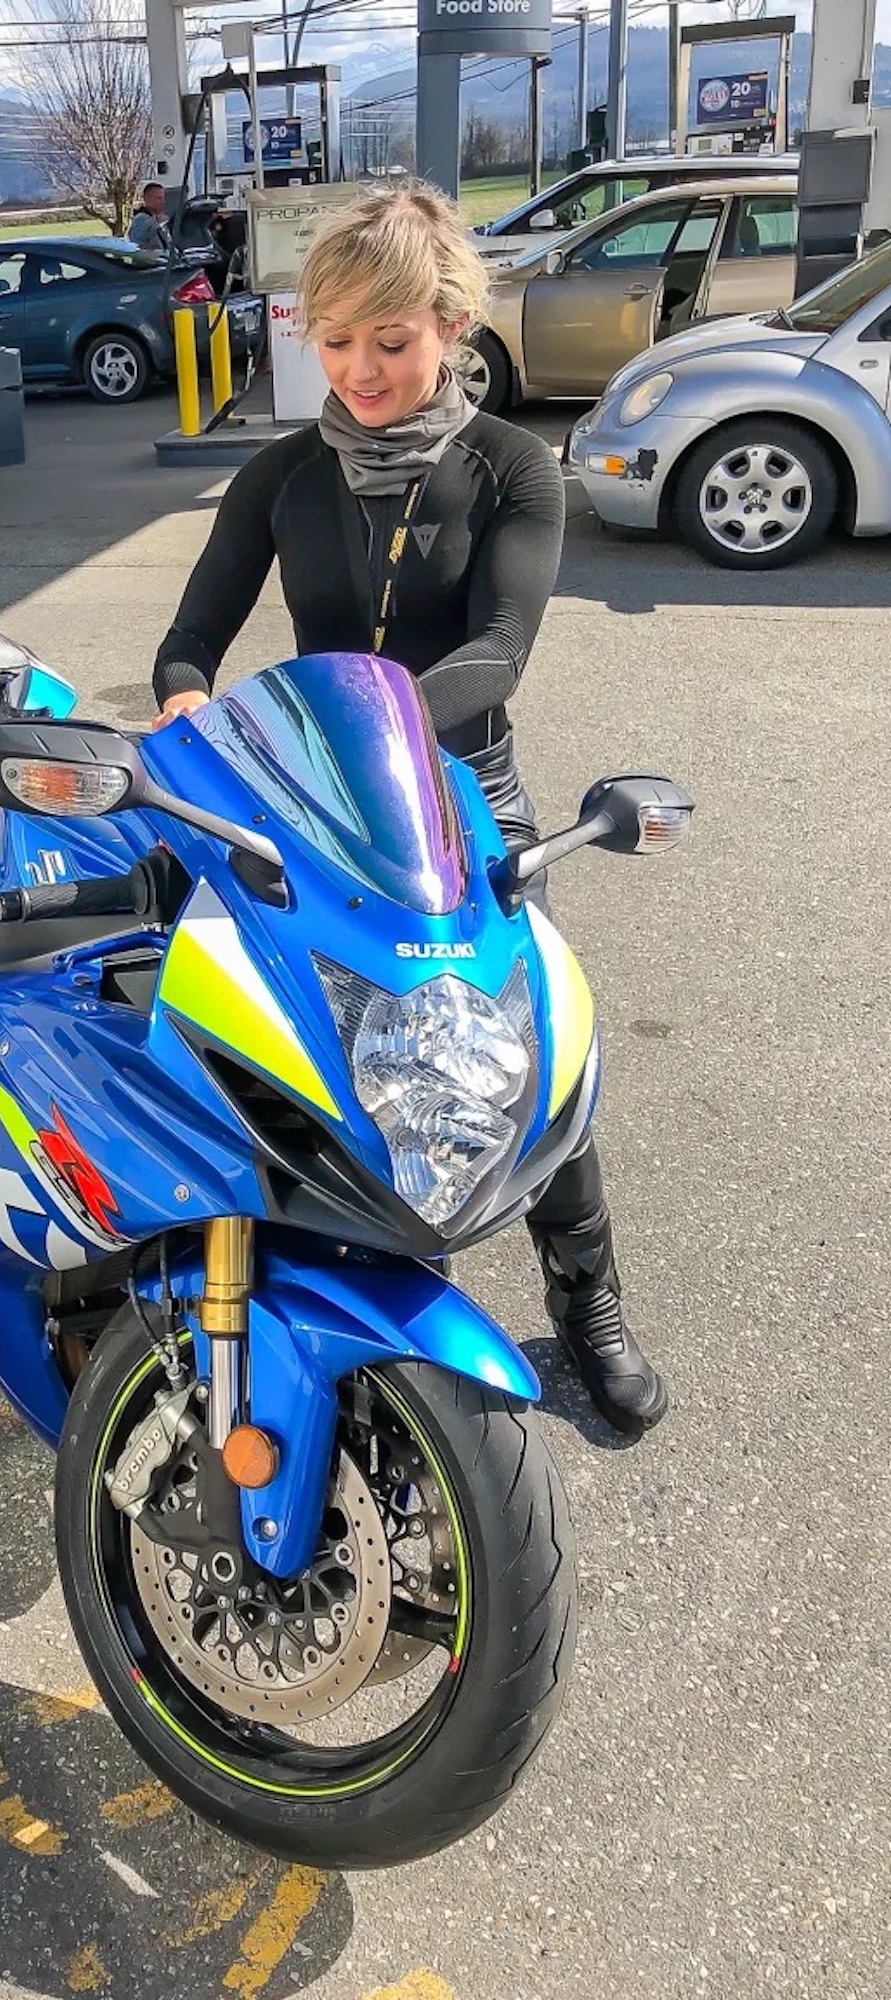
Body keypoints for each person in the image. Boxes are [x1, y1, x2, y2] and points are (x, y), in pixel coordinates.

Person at [148, 182, 666, 1437]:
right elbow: (192, 635)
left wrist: (382, 728)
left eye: (390, 339)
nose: (360, 368)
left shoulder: (511, 469)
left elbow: (498, 645)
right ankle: (286, 1261)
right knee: (287, 1023)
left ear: (448, 326)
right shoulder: (281, 472)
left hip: (464, 795)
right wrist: (178, 704)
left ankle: (588, 1299)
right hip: (309, 795)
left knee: (526, 1046)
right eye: (334, 340)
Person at [128, 182, 173, 255]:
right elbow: (137, 246)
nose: (162, 202)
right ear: (147, 199)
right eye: (158, 198)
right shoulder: (141, 219)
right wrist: (161, 224)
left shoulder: (158, 218)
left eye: (163, 198)